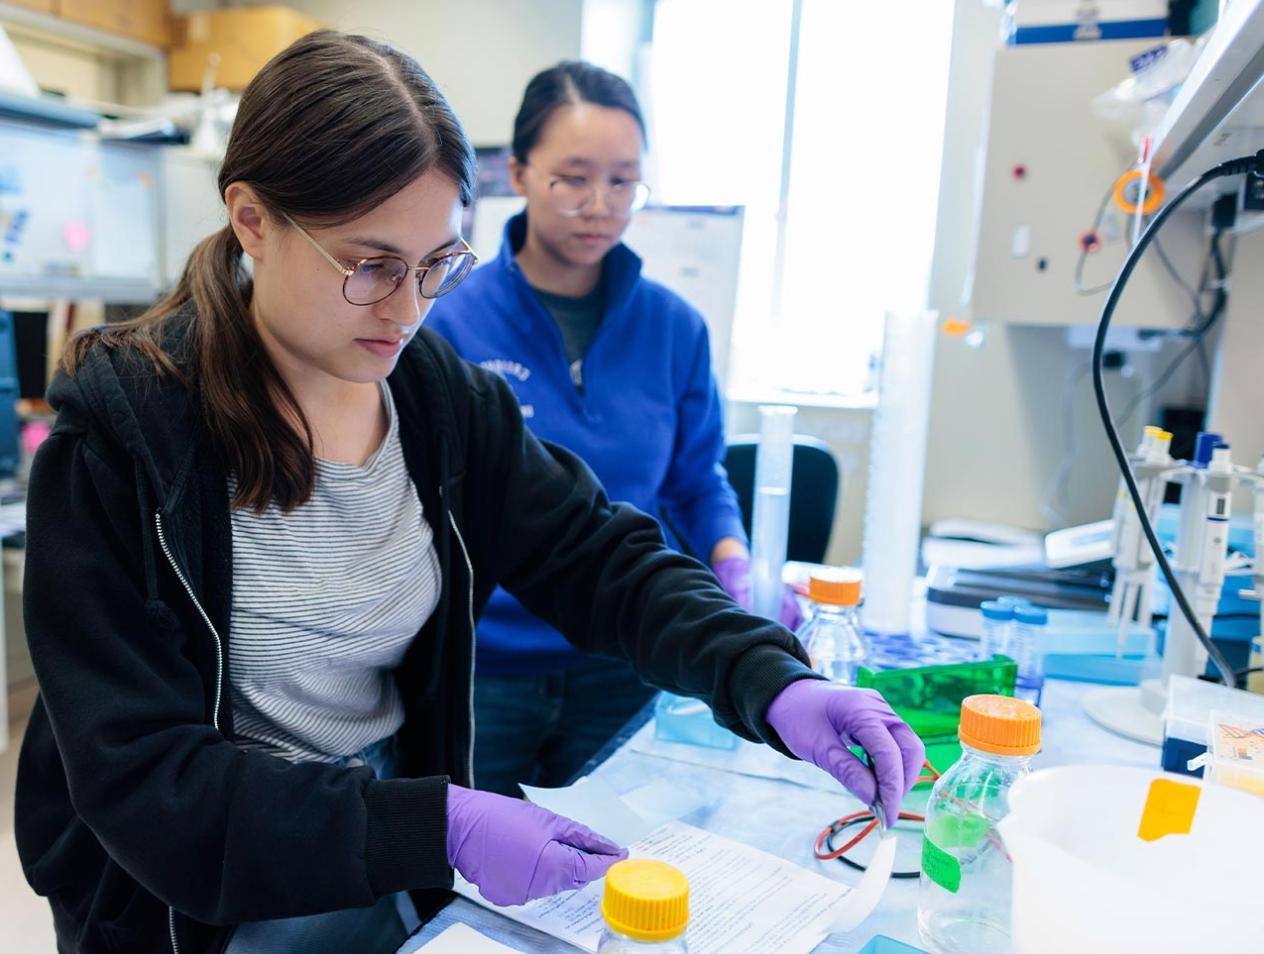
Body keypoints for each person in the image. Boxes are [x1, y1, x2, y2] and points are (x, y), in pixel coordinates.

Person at [14, 31, 923, 954]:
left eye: (437, 265)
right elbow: (145, 778)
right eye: (368, 265)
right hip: (196, 897)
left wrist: (766, 675)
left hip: (381, 854)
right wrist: (435, 825)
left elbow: (597, 553)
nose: (408, 310)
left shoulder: (436, 398)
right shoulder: (125, 444)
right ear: (253, 217)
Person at [429, 61, 800, 796]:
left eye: (624, 181)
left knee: (613, 874)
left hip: (624, 656)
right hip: (485, 665)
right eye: (573, 177)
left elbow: (697, 481)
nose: (600, 205)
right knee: (464, 884)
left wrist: (733, 559)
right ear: (520, 172)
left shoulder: (674, 328)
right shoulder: (446, 318)